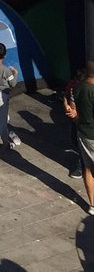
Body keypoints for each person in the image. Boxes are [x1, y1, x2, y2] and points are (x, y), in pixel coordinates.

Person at [66, 60, 94, 213]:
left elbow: (70, 104)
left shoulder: (77, 87)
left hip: (82, 133)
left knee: (88, 168)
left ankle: (92, 204)